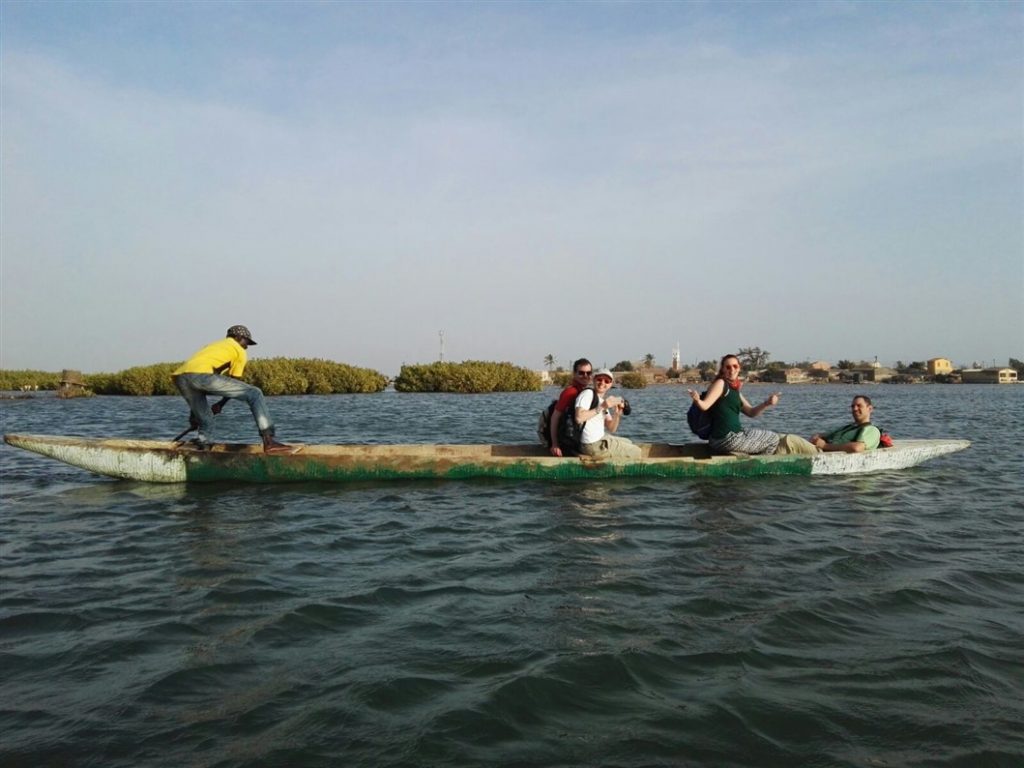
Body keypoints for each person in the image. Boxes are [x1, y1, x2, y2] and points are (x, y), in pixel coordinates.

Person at [172, 325, 293, 453]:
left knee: (205, 417)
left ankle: (205, 445)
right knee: (255, 393)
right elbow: (235, 381)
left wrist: (195, 416)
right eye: (246, 342)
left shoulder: (213, 346)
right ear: (238, 337)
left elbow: (194, 379)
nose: (247, 346)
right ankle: (269, 441)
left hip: (180, 377)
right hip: (201, 376)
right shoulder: (238, 350)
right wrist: (221, 404)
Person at [686, 354, 781, 455]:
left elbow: (751, 412)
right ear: (722, 369)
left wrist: (767, 403)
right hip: (727, 438)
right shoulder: (721, 383)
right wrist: (697, 400)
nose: (732, 370)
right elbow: (705, 405)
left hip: (732, 436)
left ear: (739, 368)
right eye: (728, 367)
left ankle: (753, 461)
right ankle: (759, 466)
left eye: (735, 366)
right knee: (773, 439)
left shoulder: (735, 390)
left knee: (769, 438)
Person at [778, 395, 882, 454]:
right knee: (779, 437)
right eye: (853, 406)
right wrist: (818, 436)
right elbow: (826, 435)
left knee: (789, 439)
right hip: (820, 449)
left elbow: (857, 448)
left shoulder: (871, 430)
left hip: (823, 452)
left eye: (859, 406)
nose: (855, 409)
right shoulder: (849, 427)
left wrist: (825, 445)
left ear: (870, 409)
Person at [574, 368, 641, 460]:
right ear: (593, 380)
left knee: (629, 442)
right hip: (592, 445)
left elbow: (611, 428)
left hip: (599, 440)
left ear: (611, 384)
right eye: (599, 379)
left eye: (607, 381)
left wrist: (617, 414)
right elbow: (579, 417)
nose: (602, 383)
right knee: (637, 451)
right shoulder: (588, 394)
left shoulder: (601, 400)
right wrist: (602, 406)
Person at [549, 358, 593, 457]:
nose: (585, 376)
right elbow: (555, 417)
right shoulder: (570, 392)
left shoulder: (585, 391)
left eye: (588, 373)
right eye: (581, 373)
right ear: (574, 374)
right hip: (567, 441)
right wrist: (555, 444)